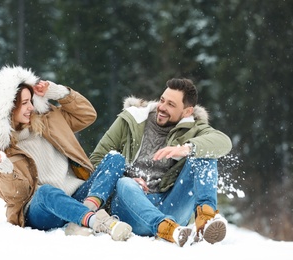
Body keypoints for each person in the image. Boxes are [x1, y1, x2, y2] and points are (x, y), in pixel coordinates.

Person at [0, 65, 132, 241]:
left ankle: (83, 214)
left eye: (31, 101)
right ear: (8, 109)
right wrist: (4, 167)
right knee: (45, 191)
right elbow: (15, 197)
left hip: (76, 196)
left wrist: (57, 92)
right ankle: (97, 221)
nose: (31, 108)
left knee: (114, 159)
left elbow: (87, 115)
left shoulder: (49, 119)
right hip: (40, 210)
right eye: (25, 103)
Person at [90, 78, 232, 247]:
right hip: (130, 209)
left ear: (187, 111)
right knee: (124, 182)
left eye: (171, 105)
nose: (162, 107)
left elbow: (224, 142)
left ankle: (205, 218)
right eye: (162, 100)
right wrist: (122, 176)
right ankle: (163, 227)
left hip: (171, 208)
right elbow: (96, 161)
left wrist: (187, 148)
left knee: (203, 153)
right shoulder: (132, 120)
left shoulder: (193, 128)